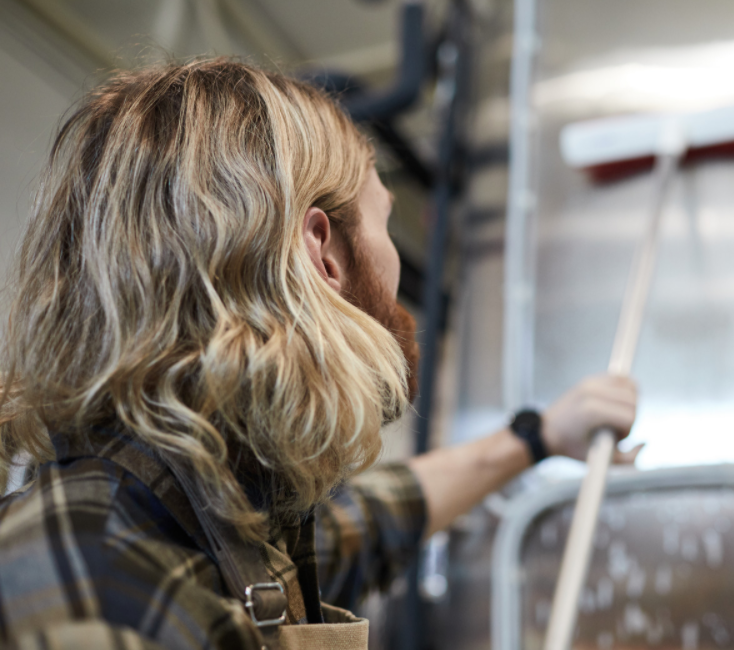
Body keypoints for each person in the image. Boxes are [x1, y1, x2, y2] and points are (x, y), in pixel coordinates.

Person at [0, 59, 639, 649]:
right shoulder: (90, 583)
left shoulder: (202, 510)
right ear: (323, 255)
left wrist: (539, 436)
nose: (394, 261)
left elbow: (362, 526)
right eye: (386, 220)